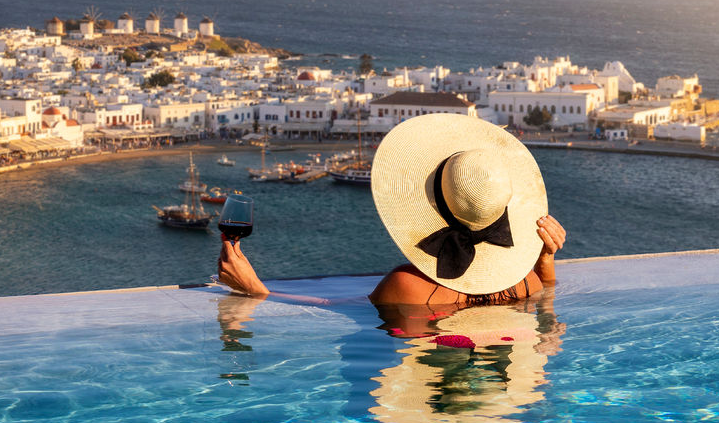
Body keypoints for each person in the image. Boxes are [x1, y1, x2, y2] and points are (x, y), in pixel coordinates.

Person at [218, 113, 566, 304]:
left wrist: (255, 291)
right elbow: (547, 296)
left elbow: (334, 312)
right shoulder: (528, 283)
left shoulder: (407, 286)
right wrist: (545, 261)